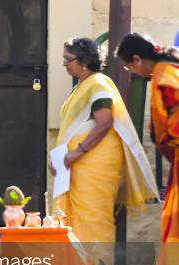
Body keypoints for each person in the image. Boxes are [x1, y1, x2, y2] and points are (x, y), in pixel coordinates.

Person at [51, 37, 157, 249]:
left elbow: (105, 121)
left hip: (93, 163)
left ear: (83, 61)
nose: (64, 64)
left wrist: (75, 153)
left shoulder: (98, 83)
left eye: (67, 59)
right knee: (75, 217)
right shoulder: (83, 86)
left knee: (93, 214)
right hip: (76, 163)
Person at [117, 33, 179, 265]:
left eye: (128, 66)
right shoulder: (169, 69)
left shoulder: (165, 75)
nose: (130, 71)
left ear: (137, 59)